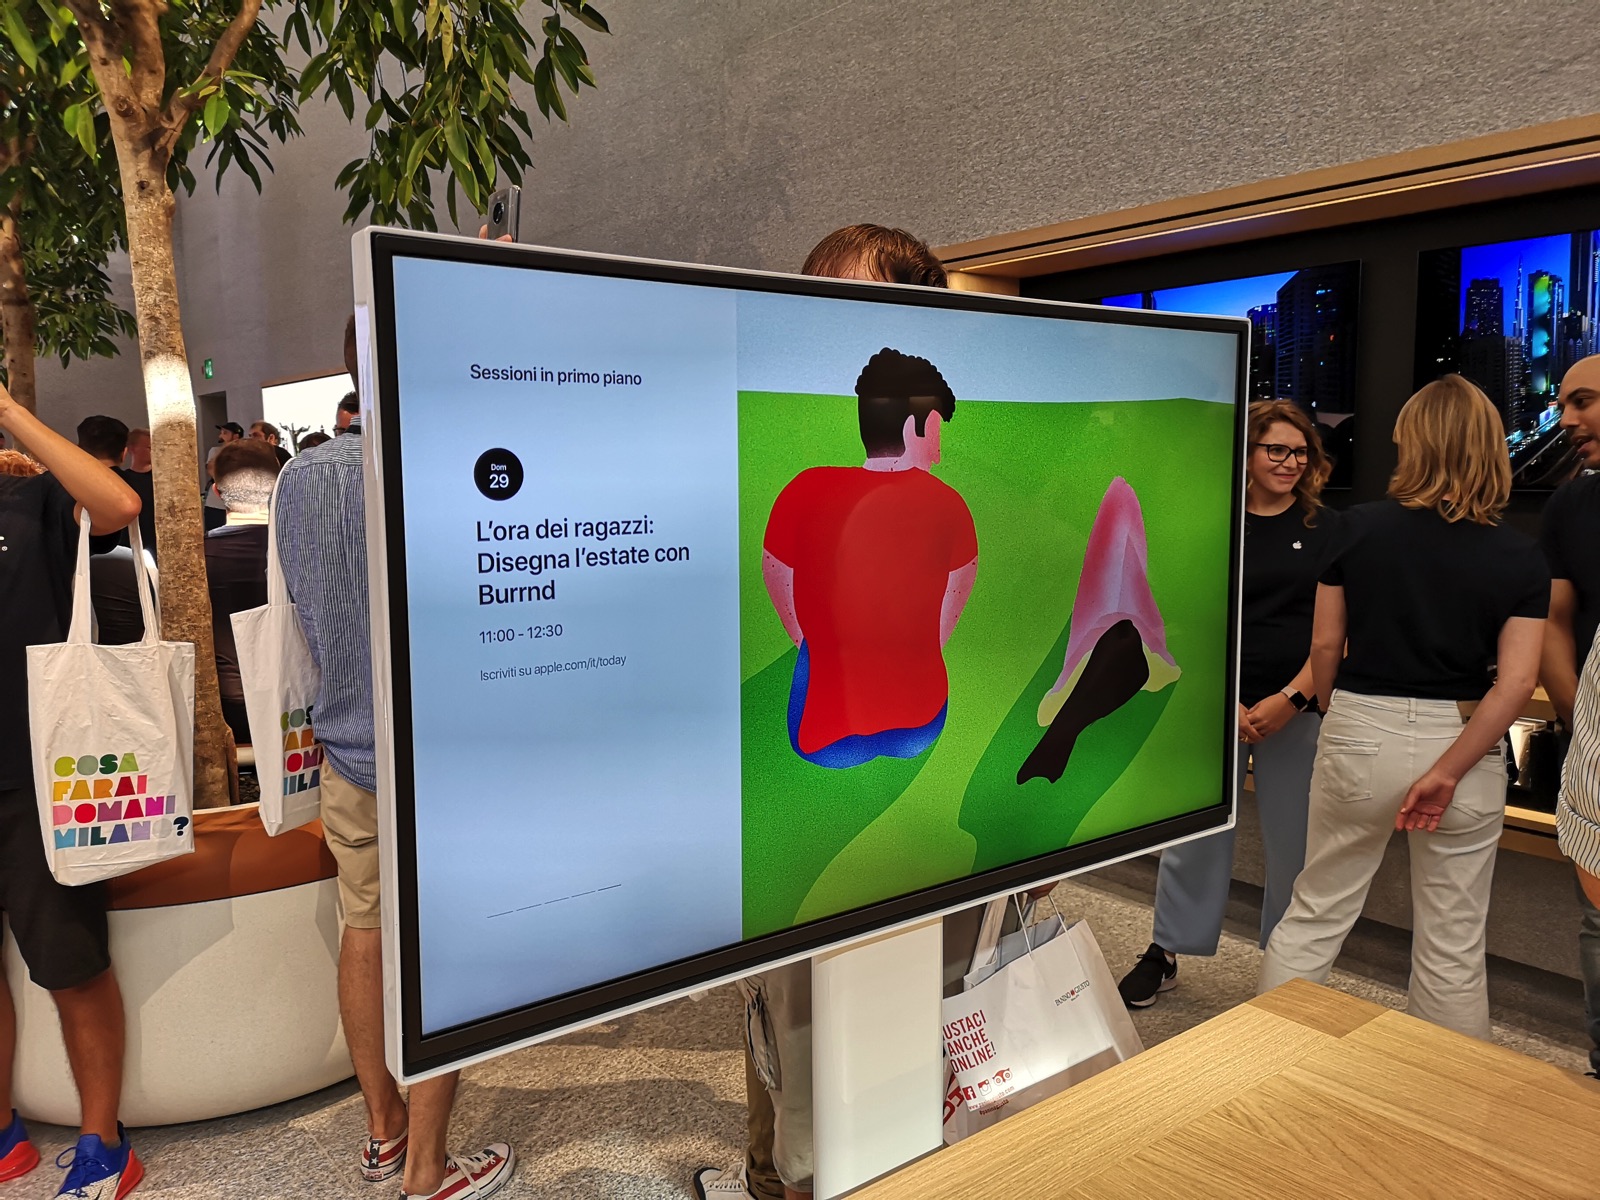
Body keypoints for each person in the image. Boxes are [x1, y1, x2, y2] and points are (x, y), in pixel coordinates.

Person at [696, 224, 1046, 1200]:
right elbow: (917, 611)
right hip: (854, 738)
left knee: (917, 998)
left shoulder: (935, 478)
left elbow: (819, 608)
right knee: (795, 992)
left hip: (884, 752)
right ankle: (777, 1174)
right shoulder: (831, 462)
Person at [275, 350, 514, 1200]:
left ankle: (383, 1132)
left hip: (347, 745)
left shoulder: (300, 477)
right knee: (444, 947)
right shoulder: (448, 456)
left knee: (365, 928)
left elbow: (296, 607)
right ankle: (427, 1168)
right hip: (444, 757)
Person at [1258, 376, 1548, 1039]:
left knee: (1316, 909)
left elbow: (1325, 644)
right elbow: (1515, 684)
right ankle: (1438, 1090)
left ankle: (1267, 1061)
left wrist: (1337, 713)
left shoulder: (1355, 528)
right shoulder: (1520, 555)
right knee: (1453, 940)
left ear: (1412, 442)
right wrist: (1447, 771)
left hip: (1362, 727)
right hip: (1466, 742)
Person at [1118, 400, 1336, 1006]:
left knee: (1295, 841)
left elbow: (1337, 633)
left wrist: (1291, 698)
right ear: (1246, 452)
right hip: (1213, 704)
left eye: (1301, 452)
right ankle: (1166, 949)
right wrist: (1224, 700)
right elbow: (1183, 615)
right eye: (1276, 449)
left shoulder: (1328, 530)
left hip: (1297, 707)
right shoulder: (1211, 520)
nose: (1290, 462)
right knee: (1195, 833)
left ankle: (1288, 964)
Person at [0, 385, 145, 1197]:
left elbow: (119, 504)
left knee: (71, 965)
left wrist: (12, 413)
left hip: (36, 772)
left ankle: (103, 1143)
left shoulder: (31, 497)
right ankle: (4, 1136)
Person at [1541, 352, 1600, 1077]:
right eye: (1562, 404)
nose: (1566, 419)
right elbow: (1555, 619)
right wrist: (1580, 719)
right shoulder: (1570, 505)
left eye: (1582, 401)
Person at [205, 439, 281, 746]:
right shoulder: (300, 549)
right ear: (277, 486)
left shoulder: (194, 558)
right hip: (297, 701)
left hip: (224, 706)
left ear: (217, 491)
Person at [76, 416, 157, 645]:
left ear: (79, 448)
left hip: (81, 580)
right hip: (138, 578)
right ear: (124, 452)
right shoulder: (140, 486)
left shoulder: (69, 487)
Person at [204, 421, 244, 530]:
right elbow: (212, 470)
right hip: (215, 504)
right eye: (221, 433)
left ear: (235, 436)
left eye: (225, 433)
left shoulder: (244, 453)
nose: (221, 436)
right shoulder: (215, 451)